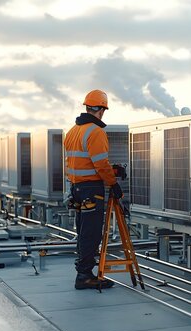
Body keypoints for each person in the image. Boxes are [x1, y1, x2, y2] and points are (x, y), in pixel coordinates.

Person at [64, 89, 124, 290]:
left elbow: (79, 161)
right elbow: (99, 163)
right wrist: (113, 183)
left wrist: (110, 170)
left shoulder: (73, 131)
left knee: (83, 231)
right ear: (102, 110)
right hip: (91, 188)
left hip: (77, 188)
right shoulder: (95, 132)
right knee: (91, 233)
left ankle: (83, 269)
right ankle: (84, 276)